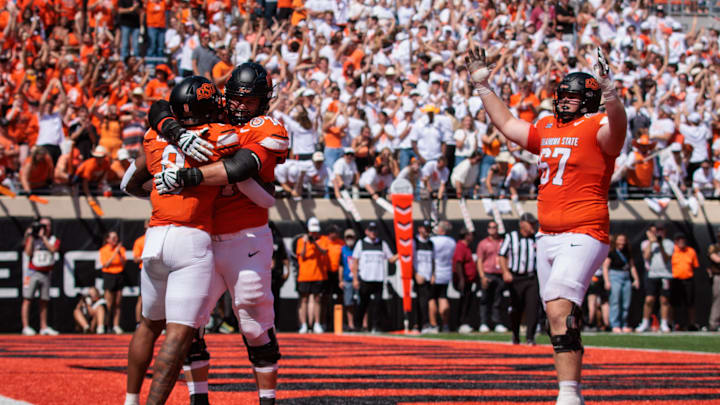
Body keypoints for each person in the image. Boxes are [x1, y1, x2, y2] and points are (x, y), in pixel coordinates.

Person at [467, 45, 627, 405]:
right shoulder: (548, 127)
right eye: (563, 95)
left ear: (589, 100)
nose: (565, 101)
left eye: (573, 96)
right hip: (546, 236)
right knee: (558, 316)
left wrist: (612, 93)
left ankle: (568, 396)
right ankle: (570, 392)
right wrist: (482, 86)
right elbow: (508, 125)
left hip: (584, 231)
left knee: (557, 306)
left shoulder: (598, 125)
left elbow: (617, 129)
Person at [152, 63, 289, 405]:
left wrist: (186, 178)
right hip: (203, 237)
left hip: (247, 237)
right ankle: (199, 401)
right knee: (190, 324)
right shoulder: (213, 116)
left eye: (251, 101)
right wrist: (177, 132)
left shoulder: (268, 128)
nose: (242, 106)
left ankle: (267, 400)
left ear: (263, 102)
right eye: (238, 99)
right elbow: (158, 107)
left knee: (254, 322)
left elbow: (240, 167)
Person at [499, 213, 540, 345]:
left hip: (531, 277)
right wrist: (505, 271)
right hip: (516, 277)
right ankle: (515, 335)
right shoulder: (511, 237)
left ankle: (530, 337)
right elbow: (502, 255)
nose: (533, 226)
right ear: (522, 224)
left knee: (533, 307)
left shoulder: (537, 238)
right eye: (530, 223)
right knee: (516, 308)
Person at [351, 222, 398, 333]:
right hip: (365, 279)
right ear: (366, 231)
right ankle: (357, 325)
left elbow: (391, 259)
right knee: (363, 303)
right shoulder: (361, 243)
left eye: (375, 230)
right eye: (371, 230)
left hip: (378, 279)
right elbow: (355, 262)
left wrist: (403, 253)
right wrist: (355, 279)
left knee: (378, 304)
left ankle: (376, 326)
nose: (373, 232)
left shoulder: (382, 244)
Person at [21, 217, 60, 336]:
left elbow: (53, 249)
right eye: (43, 225)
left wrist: (43, 237)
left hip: (46, 272)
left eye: (47, 225)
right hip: (33, 272)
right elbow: (28, 252)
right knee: (27, 298)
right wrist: (31, 236)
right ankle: (26, 326)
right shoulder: (33, 239)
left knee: (44, 300)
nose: (45, 228)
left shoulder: (53, 239)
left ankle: (43, 326)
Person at [636, 222, 674, 333]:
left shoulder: (669, 243)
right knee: (649, 299)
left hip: (665, 274)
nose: (659, 232)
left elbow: (666, 258)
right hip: (651, 274)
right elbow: (646, 256)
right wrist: (652, 242)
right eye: (657, 230)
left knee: (664, 300)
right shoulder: (645, 243)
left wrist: (660, 244)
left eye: (661, 230)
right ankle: (645, 322)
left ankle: (664, 323)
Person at [296, 217, 328, 334]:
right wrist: (305, 242)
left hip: (318, 275)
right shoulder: (301, 241)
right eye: (312, 231)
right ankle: (304, 324)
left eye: (315, 231)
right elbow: (302, 255)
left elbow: (324, 251)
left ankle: (317, 323)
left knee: (317, 299)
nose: (314, 233)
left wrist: (314, 242)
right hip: (305, 275)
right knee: (303, 300)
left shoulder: (323, 239)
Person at [602, 233, 639, 333]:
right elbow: (605, 266)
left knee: (626, 302)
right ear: (616, 241)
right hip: (615, 276)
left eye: (624, 240)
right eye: (620, 240)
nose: (622, 242)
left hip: (626, 276)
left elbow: (632, 266)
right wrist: (607, 281)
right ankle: (615, 324)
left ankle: (624, 324)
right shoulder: (612, 252)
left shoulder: (628, 252)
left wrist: (636, 279)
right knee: (615, 301)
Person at [476, 220, 507, 333]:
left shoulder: (502, 242)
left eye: (494, 227)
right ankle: (484, 322)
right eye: (490, 227)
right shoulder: (483, 243)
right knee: (485, 299)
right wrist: (482, 276)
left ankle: (497, 322)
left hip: (499, 274)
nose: (492, 229)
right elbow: (479, 260)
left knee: (498, 300)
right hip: (487, 273)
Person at [430, 221, 456, 332]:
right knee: (443, 297)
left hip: (435, 272)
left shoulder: (434, 241)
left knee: (431, 299)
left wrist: (432, 273)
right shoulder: (452, 242)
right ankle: (445, 324)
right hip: (446, 272)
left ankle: (434, 324)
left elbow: (431, 258)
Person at [99, 230, 126, 335]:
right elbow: (105, 264)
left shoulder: (121, 250)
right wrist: (115, 253)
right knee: (108, 303)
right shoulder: (104, 250)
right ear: (108, 239)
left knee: (117, 303)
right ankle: (106, 324)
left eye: (116, 238)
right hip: (109, 275)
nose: (115, 240)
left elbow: (123, 264)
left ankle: (116, 325)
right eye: (113, 238)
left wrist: (118, 253)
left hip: (119, 275)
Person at [671, 233, 699, 331]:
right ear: (675, 241)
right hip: (675, 280)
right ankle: (674, 323)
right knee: (675, 303)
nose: (681, 241)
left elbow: (695, 266)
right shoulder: (672, 251)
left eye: (682, 239)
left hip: (688, 280)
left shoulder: (691, 251)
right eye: (679, 239)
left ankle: (691, 324)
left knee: (690, 303)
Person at [413, 220, 436, 333]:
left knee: (426, 301)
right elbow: (410, 259)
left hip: (427, 276)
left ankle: (425, 323)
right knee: (421, 301)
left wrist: (433, 274)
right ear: (419, 229)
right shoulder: (415, 242)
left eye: (428, 229)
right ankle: (422, 324)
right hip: (419, 276)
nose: (427, 231)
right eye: (425, 228)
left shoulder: (431, 243)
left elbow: (432, 260)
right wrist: (415, 273)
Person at [454, 227, 477, 333]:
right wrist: (461, 279)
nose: (472, 237)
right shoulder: (460, 247)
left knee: (467, 301)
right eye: (471, 235)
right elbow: (458, 263)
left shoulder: (466, 247)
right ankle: (461, 323)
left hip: (469, 280)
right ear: (466, 236)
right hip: (464, 280)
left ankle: (464, 322)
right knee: (464, 301)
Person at [269, 222, 289, 330]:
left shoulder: (278, 241)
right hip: (264, 275)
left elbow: (284, 257)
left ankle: (274, 324)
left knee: (275, 300)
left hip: (276, 275)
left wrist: (287, 271)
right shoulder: (260, 240)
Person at [339, 228, 359, 331]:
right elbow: (341, 265)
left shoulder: (358, 248)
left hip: (359, 279)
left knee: (361, 302)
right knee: (349, 303)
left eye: (351, 237)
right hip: (347, 279)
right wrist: (340, 280)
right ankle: (351, 324)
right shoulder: (343, 250)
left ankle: (362, 324)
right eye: (348, 237)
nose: (350, 239)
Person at [708, 227, 720, 332]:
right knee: (718, 300)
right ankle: (714, 324)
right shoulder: (714, 247)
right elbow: (716, 259)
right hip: (718, 276)